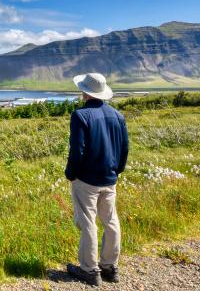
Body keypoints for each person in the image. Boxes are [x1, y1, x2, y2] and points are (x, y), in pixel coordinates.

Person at [65, 73, 128, 287]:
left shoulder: (80, 116)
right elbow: (124, 148)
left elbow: (77, 150)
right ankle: (110, 267)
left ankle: (89, 270)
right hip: (110, 178)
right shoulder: (117, 116)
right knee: (110, 220)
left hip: (86, 180)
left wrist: (71, 173)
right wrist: (117, 170)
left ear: (85, 91)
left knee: (88, 222)